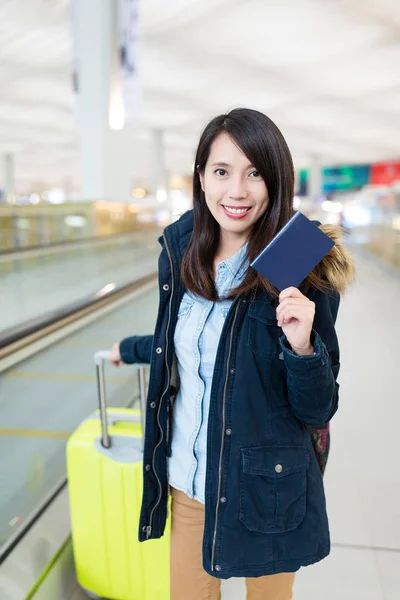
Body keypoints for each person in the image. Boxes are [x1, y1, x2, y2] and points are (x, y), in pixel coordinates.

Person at [109, 108, 355, 600]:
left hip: (265, 488)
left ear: (276, 180)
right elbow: (182, 342)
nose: (237, 192)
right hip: (188, 478)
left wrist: (303, 346)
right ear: (201, 178)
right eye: (222, 172)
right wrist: (130, 349)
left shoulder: (298, 260)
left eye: (255, 172)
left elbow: (318, 407)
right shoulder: (181, 248)